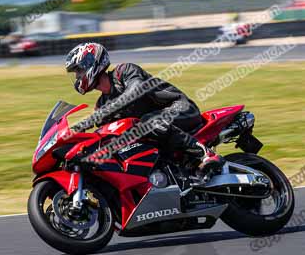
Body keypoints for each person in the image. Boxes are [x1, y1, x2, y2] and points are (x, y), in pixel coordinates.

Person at [64, 42, 223, 179]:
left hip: (181, 108)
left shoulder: (124, 71)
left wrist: (92, 119)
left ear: (91, 63)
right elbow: (104, 135)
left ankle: (206, 154)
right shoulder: (102, 104)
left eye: (79, 70)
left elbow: (134, 92)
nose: (77, 77)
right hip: (160, 132)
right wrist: (77, 141)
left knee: (148, 121)